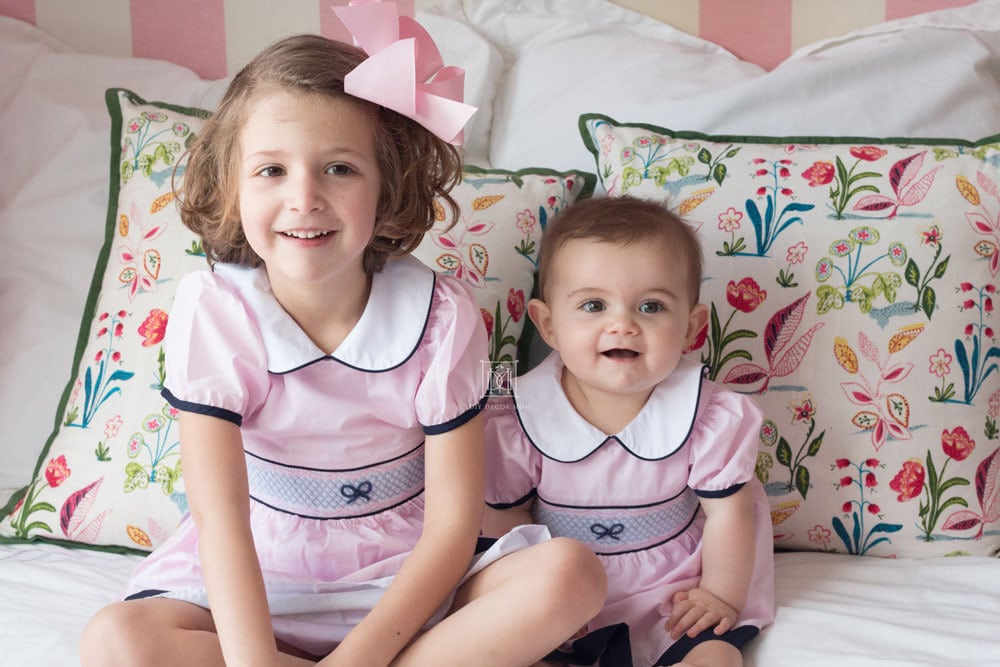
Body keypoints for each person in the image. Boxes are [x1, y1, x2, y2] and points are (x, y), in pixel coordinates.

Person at [79, 6, 606, 666]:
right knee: (114, 640)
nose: (305, 198)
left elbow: (450, 529)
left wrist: (356, 660)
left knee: (571, 574)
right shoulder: (214, 310)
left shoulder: (439, 315)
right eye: (272, 170)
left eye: (339, 168)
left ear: (387, 183)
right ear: (232, 182)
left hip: (408, 587)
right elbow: (222, 520)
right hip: (258, 580)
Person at [481, 196, 775, 667]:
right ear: (549, 324)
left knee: (716, 658)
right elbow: (503, 517)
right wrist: (529, 587)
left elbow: (730, 516)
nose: (623, 324)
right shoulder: (520, 415)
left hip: (674, 592)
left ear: (691, 328)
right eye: (594, 305)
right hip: (563, 592)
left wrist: (718, 594)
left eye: (651, 306)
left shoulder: (709, 415)